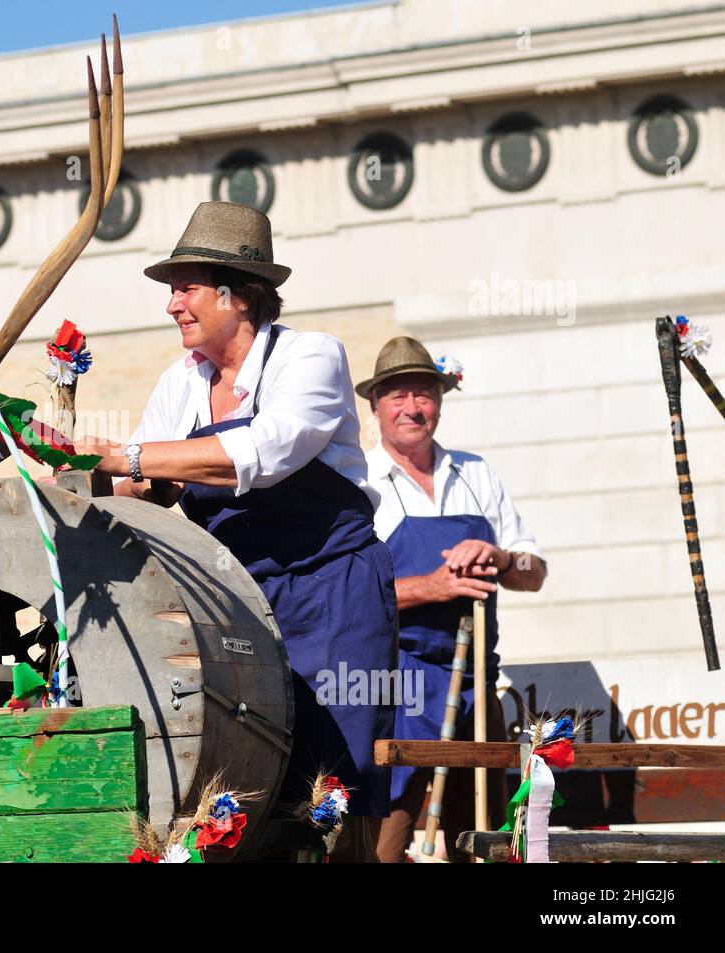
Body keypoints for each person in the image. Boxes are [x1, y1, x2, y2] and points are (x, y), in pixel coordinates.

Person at [77, 201, 398, 857]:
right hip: (241, 605)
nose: (172, 305)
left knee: (334, 791)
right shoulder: (180, 381)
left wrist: (133, 459)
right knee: (248, 785)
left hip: (331, 596)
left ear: (238, 294)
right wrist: (73, 474)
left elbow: (267, 449)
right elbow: (147, 480)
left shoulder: (312, 357)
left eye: (185, 287)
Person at [358, 337, 547, 863]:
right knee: (387, 842)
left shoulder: (476, 473)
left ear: (440, 402)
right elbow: (349, 597)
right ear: (375, 406)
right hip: (402, 683)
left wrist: (504, 559)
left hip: (477, 687)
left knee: (484, 837)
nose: (412, 408)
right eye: (398, 395)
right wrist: (431, 586)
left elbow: (536, 572)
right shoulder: (361, 484)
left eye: (424, 394)